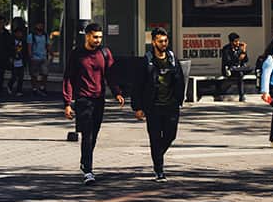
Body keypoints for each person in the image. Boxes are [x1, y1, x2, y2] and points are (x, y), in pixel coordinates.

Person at [62, 23, 125, 185]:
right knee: (87, 135)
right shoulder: (77, 54)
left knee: (94, 135)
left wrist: (117, 92)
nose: (97, 40)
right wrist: (67, 102)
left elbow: (110, 74)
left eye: (100, 37)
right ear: (87, 36)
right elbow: (68, 78)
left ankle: (84, 161)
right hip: (83, 99)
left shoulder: (104, 53)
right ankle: (88, 171)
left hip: (99, 99)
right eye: (95, 37)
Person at [131, 27, 185, 181]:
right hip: (153, 106)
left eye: (165, 41)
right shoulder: (146, 61)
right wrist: (138, 107)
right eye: (160, 41)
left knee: (170, 136)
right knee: (155, 137)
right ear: (153, 42)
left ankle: (157, 155)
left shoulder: (172, 59)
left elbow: (180, 79)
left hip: (171, 106)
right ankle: (159, 169)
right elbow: (138, 85)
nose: (164, 44)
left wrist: (180, 99)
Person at [221, 32, 250, 101]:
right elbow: (228, 61)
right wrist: (239, 58)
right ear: (231, 42)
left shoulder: (240, 48)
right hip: (229, 69)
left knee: (248, 69)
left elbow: (246, 60)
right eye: (235, 41)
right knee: (240, 74)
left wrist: (244, 51)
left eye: (238, 41)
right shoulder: (226, 49)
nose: (237, 43)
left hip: (238, 68)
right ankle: (241, 96)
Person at [27, 21, 51, 97]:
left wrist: (51, 53)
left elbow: (47, 45)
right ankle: (34, 88)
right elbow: (29, 47)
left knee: (45, 73)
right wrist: (30, 56)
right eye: (38, 25)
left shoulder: (45, 35)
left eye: (41, 25)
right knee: (34, 75)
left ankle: (42, 87)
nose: (40, 27)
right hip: (35, 57)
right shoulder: (31, 36)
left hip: (43, 57)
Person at [7, 20, 29, 97]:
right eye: (18, 33)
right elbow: (9, 50)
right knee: (14, 76)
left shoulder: (23, 42)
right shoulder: (11, 41)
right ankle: (9, 85)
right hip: (14, 60)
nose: (19, 34)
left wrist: (26, 59)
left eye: (21, 33)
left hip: (21, 60)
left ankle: (19, 90)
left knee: (21, 76)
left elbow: (25, 52)